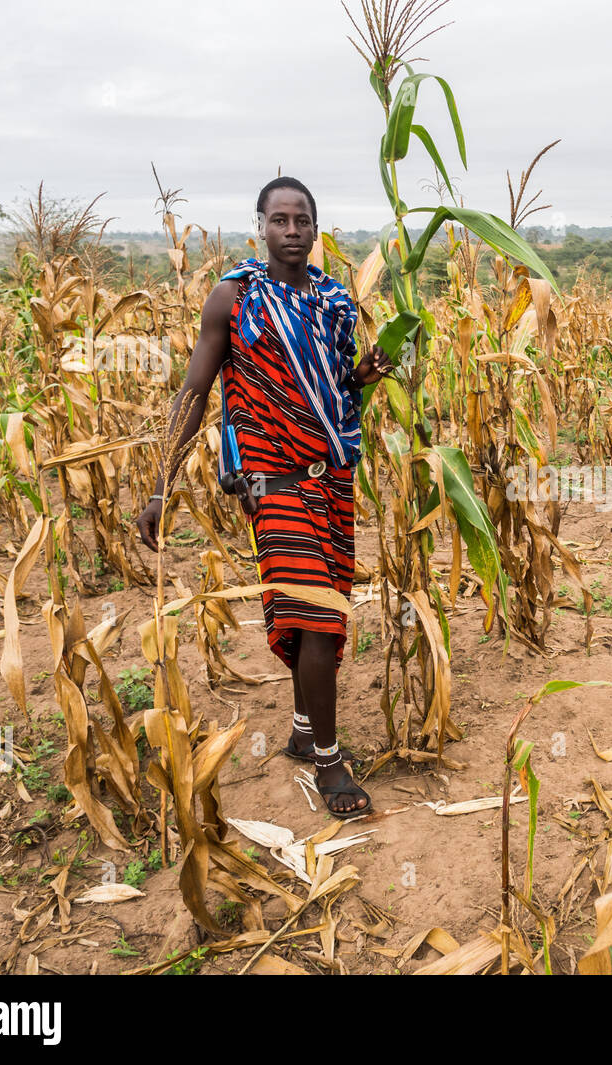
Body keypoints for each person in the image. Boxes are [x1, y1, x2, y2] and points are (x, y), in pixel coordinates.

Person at [136, 176, 391, 819]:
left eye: (302, 219)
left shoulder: (335, 302)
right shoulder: (234, 298)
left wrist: (365, 374)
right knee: (316, 617)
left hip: (331, 480)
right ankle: (330, 768)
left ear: (314, 226)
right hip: (272, 484)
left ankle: (306, 732)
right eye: (279, 219)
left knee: (320, 614)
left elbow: (334, 390)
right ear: (261, 226)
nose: (292, 229)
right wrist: (162, 485)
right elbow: (195, 392)